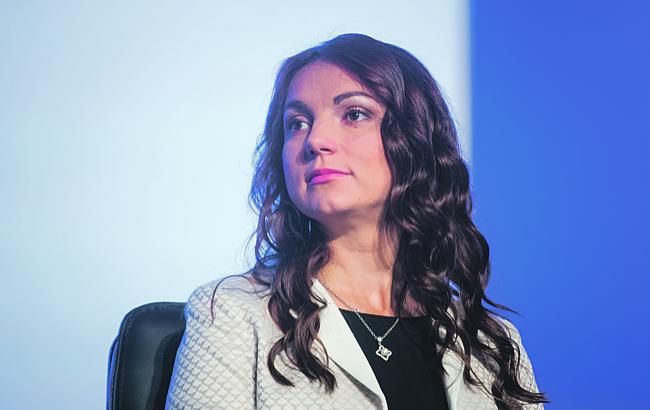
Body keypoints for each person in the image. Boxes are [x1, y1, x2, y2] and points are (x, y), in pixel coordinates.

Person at [165, 33, 548, 410]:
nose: (315, 140)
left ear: (415, 138)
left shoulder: (490, 343)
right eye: (297, 123)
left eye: (354, 114)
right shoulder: (232, 314)